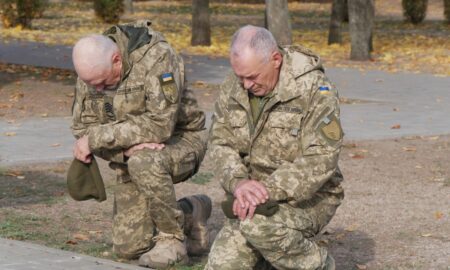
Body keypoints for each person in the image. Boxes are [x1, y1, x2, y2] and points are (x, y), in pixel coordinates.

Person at [70, 20, 211, 269]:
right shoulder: (91, 70)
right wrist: (123, 150)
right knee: (129, 248)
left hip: (182, 140)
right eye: (93, 85)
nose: (99, 89)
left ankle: (173, 240)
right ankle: (189, 213)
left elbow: (160, 126)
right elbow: (82, 129)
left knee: (144, 161)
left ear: (116, 59)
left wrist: (97, 139)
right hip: (129, 155)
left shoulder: (157, 57)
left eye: (103, 82)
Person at [205, 25, 344, 270]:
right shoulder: (233, 85)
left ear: (275, 60)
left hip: (309, 196)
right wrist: (239, 183)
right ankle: (272, 254)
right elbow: (220, 142)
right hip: (251, 197)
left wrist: (264, 191)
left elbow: (321, 158)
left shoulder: (314, 88)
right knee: (221, 265)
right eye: (240, 77)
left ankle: (318, 265)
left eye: (252, 77)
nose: (245, 85)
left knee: (256, 225)